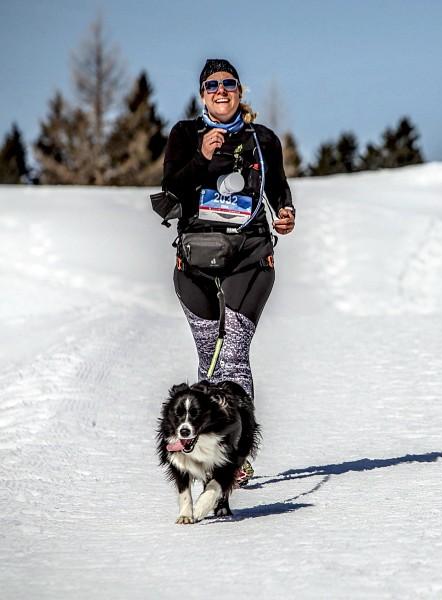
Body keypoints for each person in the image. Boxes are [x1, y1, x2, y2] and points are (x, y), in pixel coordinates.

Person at [162, 58, 295, 482]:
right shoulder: (185, 135)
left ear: (241, 91)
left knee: (233, 358)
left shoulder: (262, 139)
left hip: (249, 257)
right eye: (212, 85)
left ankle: (236, 455)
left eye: (230, 84)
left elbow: (278, 190)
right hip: (195, 262)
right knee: (209, 361)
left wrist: (286, 214)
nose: (222, 91)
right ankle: (209, 445)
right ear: (202, 94)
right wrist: (202, 158)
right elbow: (172, 190)